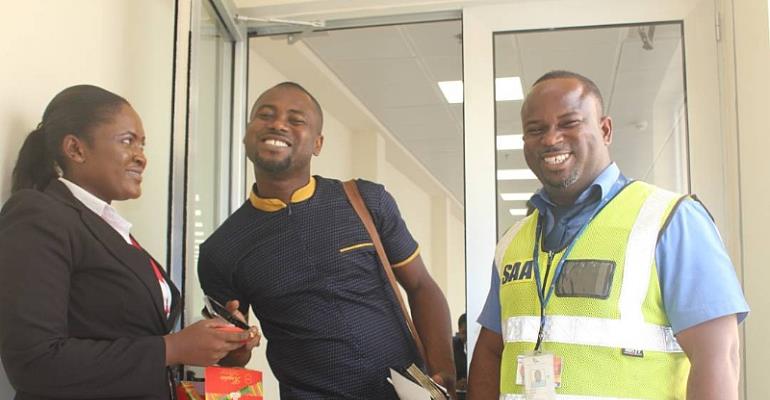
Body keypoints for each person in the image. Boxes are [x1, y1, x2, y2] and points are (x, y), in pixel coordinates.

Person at [467, 71, 749, 399]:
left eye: (569, 122)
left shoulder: (671, 220)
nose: (550, 139)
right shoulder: (513, 241)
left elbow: (719, 357)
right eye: (536, 129)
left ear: (605, 130)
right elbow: (491, 352)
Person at [198, 81, 456, 399]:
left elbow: (421, 287)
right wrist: (236, 346)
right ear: (247, 135)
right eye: (265, 115)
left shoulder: (365, 201)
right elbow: (231, 366)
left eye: (296, 120)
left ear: (318, 143)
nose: (278, 124)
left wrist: (444, 375)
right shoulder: (221, 249)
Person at [0, 85, 258, 400]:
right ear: (76, 149)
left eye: (143, 144)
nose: (141, 157)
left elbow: (125, 337)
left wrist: (217, 342)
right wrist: (172, 348)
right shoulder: (39, 214)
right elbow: (34, 361)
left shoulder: (108, 227)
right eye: (127, 141)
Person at [453, 313, 467, 392]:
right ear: (459, 329)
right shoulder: (452, 346)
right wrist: (455, 385)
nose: (466, 337)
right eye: (464, 333)